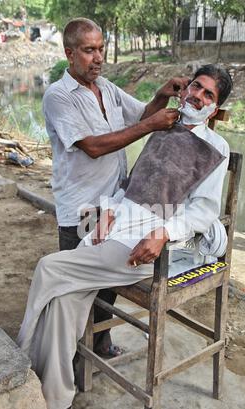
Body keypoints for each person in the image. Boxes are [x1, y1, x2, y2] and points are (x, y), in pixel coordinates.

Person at [17, 64, 233, 409]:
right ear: (185, 89)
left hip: (146, 246)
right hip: (119, 225)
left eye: (208, 94)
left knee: (48, 268)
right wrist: (110, 211)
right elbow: (133, 186)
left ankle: (20, 356)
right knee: (65, 300)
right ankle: (56, 397)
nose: (197, 95)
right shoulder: (164, 128)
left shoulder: (215, 147)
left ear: (215, 107)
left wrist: (163, 233)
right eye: (196, 86)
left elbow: (204, 212)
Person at [43, 17, 189, 358]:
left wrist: (161, 95)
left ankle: (100, 342)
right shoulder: (59, 96)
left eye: (101, 49)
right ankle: (71, 357)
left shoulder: (106, 88)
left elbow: (141, 115)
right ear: (70, 53)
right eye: (89, 50)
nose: (98, 58)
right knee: (76, 285)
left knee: (108, 282)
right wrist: (153, 124)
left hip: (114, 206)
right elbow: (93, 146)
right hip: (81, 206)